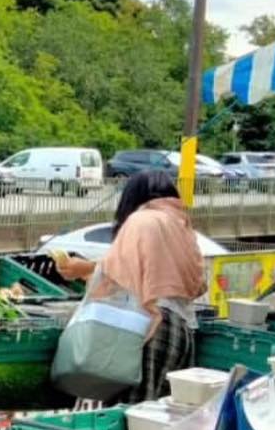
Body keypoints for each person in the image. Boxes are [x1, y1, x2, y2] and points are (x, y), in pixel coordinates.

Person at [54, 170, 207, 401]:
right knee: (159, 416)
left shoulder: (141, 220)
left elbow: (119, 271)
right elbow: (198, 284)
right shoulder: (182, 227)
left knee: (133, 416)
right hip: (181, 332)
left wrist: (81, 269)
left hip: (149, 328)